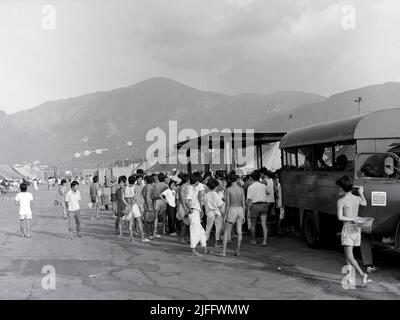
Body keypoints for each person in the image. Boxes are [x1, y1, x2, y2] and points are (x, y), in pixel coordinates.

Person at [336, 175, 369, 287]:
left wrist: (352, 219)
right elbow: (365, 203)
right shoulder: (356, 198)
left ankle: (362, 274)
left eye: (339, 187)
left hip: (348, 228)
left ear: (341, 187)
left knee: (349, 256)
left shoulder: (341, 201)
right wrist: (361, 192)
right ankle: (350, 278)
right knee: (348, 255)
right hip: (356, 229)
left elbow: (340, 217)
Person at [222, 174, 246, 256]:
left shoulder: (228, 190)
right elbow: (243, 203)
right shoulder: (241, 190)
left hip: (232, 209)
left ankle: (224, 252)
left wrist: (225, 214)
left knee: (227, 231)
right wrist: (244, 215)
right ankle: (238, 251)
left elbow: (227, 204)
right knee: (239, 231)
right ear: (236, 180)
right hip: (240, 209)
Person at [186, 172, 207, 256]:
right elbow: (187, 201)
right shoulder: (190, 188)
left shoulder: (194, 187)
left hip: (196, 210)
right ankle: (193, 250)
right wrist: (190, 209)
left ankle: (204, 247)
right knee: (194, 230)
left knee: (201, 230)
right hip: (193, 210)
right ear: (197, 180)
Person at [246, 170, 269, 246]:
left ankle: (253, 240)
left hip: (255, 206)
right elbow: (268, 192)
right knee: (264, 224)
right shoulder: (264, 186)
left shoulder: (250, 187)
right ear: (259, 177)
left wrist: (248, 211)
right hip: (263, 205)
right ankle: (265, 241)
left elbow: (249, 200)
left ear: (252, 178)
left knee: (253, 224)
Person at [204, 179, 224, 248]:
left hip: (209, 212)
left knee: (208, 228)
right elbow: (220, 205)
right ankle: (216, 243)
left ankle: (205, 242)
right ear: (216, 187)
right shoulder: (216, 195)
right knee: (218, 228)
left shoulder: (206, 195)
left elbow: (204, 204)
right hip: (217, 212)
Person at [177, 173, 190, 244]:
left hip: (184, 206)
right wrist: (185, 207)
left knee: (186, 223)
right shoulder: (183, 187)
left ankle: (183, 237)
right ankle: (181, 238)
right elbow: (182, 198)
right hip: (183, 206)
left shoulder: (185, 186)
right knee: (184, 223)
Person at [142, 175, 156, 239]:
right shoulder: (149, 187)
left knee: (149, 220)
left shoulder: (145, 186)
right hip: (149, 205)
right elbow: (147, 197)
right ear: (152, 181)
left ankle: (149, 234)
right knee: (149, 221)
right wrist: (150, 207)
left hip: (147, 204)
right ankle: (148, 235)